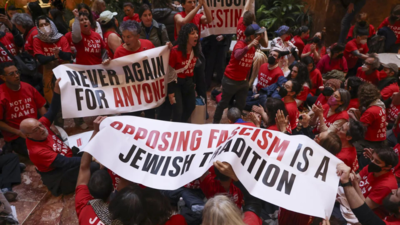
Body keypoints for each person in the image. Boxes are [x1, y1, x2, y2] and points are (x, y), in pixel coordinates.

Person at [20, 79, 99, 196]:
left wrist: (57, 91)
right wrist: (90, 159)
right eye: (36, 130)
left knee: (96, 151)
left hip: (68, 157)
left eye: (40, 125)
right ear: (28, 135)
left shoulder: (41, 125)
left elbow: (53, 110)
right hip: (60, 174)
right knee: (95, 166)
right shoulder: (37, 151)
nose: (42, 129)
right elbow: (65, 162)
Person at [212, 24, 262, 124]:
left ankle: (236, 123)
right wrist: (250, 45)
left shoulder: (253, 48)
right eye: (257, 35)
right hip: (231, 80)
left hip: (243, 81)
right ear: (252, 36)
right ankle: (215, 123)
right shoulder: (240, 44)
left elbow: (248, 66)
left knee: (241, 104)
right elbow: (238, 55)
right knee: (223, 103)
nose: (259, 36)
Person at [0, 62, 46, 158]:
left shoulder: (27, 87)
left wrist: (46, 123)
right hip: (17, 134)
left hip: (35, 127)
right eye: (11, 74)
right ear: (3, 78)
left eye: (17, 72)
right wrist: (18, 132)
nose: (16, 76)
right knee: (39, 154)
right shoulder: (1, 95)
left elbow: (41, 105)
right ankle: (9, 146)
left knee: (57, 143)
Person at [75, 116, 114, 225]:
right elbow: (84, 167)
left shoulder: (84, 204)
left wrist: (96, 131)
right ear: (113, 188)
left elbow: (83, 167)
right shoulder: (121, 218)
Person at [114, 20, 156, 119]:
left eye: (128, 37)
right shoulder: (119, 52)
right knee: (130, 121)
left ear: (137, 36)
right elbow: (116, 74)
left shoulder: (149, 45)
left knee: (150, 120)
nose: (125, 40)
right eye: (123, 37)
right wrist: (108, 65)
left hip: (148, 93)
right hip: (130, 96)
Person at [205, 161, 263, 225]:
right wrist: (234, 175)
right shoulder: (250, 221)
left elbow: (202, 172)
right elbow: (253, 201)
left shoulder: (208, 185)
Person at [163, 23, 199, 122]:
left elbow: (194, 69)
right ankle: (175, 129)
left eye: (197, 33)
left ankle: (181, 125)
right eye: (192, 33)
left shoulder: (195, 50)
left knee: (191, 106)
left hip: (188, 82)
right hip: (176, 83)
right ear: (185, 36)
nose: (196, 35)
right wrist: (170, 92)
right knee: (178, 111)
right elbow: (169, 73)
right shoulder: (175, 51)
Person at [33, 15, 71, 104]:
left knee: (68, 95)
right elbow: (41, 59)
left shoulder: (61, 38)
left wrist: (60, 53)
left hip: (63, 70)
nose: (44, 27)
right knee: (51, 97)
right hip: (48, 72)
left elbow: (68, 56)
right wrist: (55, 56)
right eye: (41, 25)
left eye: (46, 24)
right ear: (38, 28)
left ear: (51, 24)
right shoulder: (37, 40)